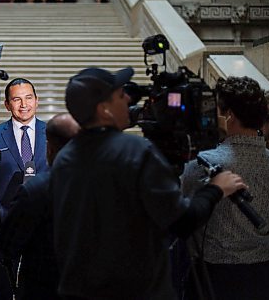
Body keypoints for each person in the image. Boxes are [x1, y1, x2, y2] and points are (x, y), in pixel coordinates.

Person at [50, 67, 247, 299]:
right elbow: (182, 221)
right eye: (120, 95)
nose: (127, 100)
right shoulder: (136, 152)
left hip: (79, 290)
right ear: (104, 109)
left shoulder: (65, 158)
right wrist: (216, 188)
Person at [181, 76, 269, 300]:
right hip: (265, 273)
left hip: (213, 275)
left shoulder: (202, 163)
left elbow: (184, 214)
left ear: (230, 115)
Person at [0, 77, 49, 300]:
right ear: (7, 104)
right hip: (1, 230)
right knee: (2, 293)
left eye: (28, 98)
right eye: (17, 99)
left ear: (37, 101)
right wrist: (0, 214)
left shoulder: (53, 133)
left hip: (43, 232)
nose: (24, 105)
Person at [0, 112, 80, 300]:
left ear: (49, 147)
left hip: (42, 286)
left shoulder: (35, 190)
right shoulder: (102, 185)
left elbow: (7, 245)